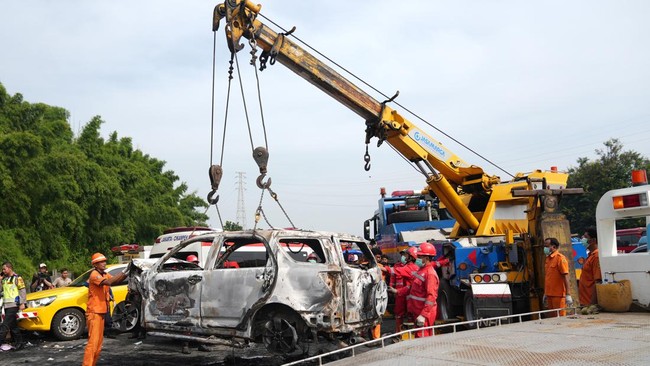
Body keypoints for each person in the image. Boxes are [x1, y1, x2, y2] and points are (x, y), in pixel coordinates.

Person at [82, 253, 129, 366]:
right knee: (93, 343)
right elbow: (109, 282)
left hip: (101, 312)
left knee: (98, 345)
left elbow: (116, 280)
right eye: (101, 261)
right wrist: (124, 272)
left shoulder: (103, 274)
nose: (104, 263)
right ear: (95, 264)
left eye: (104, 261)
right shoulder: (95, 275)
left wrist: (127, 271)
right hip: (94, 313)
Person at [405, 242, 439, 337]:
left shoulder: (430, 274)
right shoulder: (421, 270)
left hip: (424, 313)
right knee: (418, 337)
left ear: (427, 258)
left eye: (420, 257)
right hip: (417, 311)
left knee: (423, 339)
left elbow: (431, 297)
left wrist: (423, 315)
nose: (417, 259)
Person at [386, 246, 419, 332]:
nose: (404, 257)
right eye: (403, 255)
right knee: (399, 313)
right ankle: (400, 332)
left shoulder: (410, 268)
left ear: (411, 257)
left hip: (407, 294)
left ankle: (409, 332)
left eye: (406, 255)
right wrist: (393, 290)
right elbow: (393, 278)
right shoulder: (400, 266)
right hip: (401, 294)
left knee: (410, 314)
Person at [542, 237, 573, 317]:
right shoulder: (548, 259)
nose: (545, 248)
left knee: (560, 318)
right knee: (553, 319)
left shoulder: (560, 259)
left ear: (553, 247)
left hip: (558, 295)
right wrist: (546, 293)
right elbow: (549, 278)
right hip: (550, 294)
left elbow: (565, 276)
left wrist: (568, 294)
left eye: (547, 246)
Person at [0, 262, 26, 350]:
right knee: (13, 326)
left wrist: (22, 303)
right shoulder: (4, 279)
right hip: (6, 305)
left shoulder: (17, 278)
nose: (3, 271)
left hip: (14, 305)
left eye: (4, 269)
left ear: (9, 268)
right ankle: (20, 343)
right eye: (2, 269)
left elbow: (22, 290)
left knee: (5, 325)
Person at [578, 227, 602, 306]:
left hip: (589, 301)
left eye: (585, 237)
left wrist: (592, 304)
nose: (582, 239)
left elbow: (597, 282)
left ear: (593, 240)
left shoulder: (596, 256)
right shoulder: (590, 256)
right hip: (584, 300)